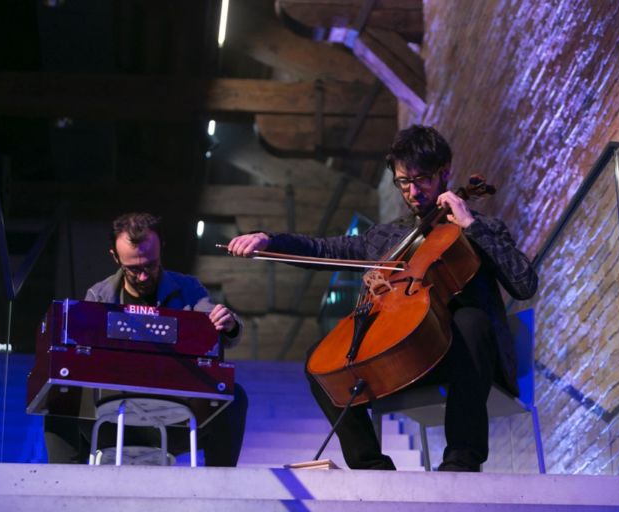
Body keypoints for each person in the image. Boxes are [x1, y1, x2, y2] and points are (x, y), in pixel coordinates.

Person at [227, 125, 537, 471]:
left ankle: (461, 461)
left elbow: (524, 284)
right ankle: (371, 467)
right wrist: (270, 240)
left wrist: (470, 225)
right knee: (320, 364)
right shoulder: (384, 238)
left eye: (422, 179)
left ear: (445, 172)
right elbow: (323, 248)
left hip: (462, 360)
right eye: (403, 182)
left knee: (471, 320)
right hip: (402, 358)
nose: (413, 191)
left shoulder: (480, 228)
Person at [44, 212, 247, 466]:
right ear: (115, 257)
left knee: (234, 396)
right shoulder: (99, 295)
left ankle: (220, 488)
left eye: (150, 265)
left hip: (176, 420)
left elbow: (219, 332)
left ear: (161, 248)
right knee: (59, 396)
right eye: (133, 269)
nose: (143, 276)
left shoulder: (189, 290)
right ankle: (64, 490)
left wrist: (227, 325)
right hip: (112, 420)